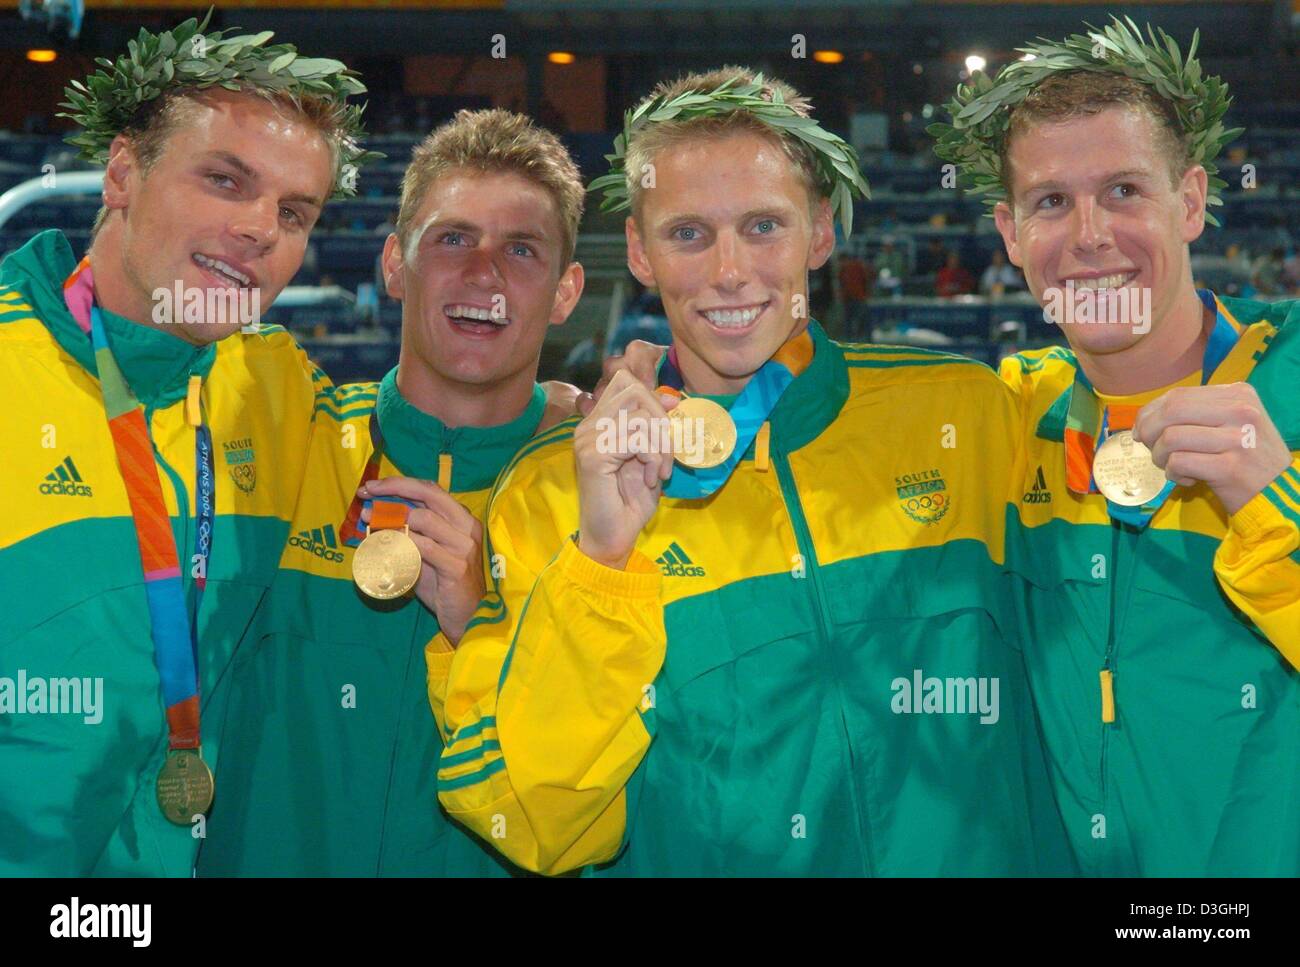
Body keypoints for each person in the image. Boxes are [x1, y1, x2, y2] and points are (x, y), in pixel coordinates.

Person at [428, 67, 1072, 876]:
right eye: (689, 234)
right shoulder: (551, 491)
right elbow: (533, 820)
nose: (729, 271)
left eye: (764, 226)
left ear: (821, 233)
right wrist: (599, 560)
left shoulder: (966, 414)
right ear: (640, 252)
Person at [0, 13, 377, 875]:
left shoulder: (279, 386)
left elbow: (430, 428)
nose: (259, 229)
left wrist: (549, 409)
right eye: (224, 180)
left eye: (294, 210)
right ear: (123, 171)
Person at [932, 16, 1300, 874]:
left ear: (1193, 201)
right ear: (1011, 234)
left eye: (1125, 191)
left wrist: (1281, 508)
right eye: (1051, 201)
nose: (1090, 234)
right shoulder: (1008, 416)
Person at [198, 109, 585, 876]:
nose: (484, 273)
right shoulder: (289, 446)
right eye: (452, 238)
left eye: (521, 249)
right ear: (393, 264)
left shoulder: (604, 504)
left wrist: (484, 626)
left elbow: (591, 782)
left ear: (568, 290)